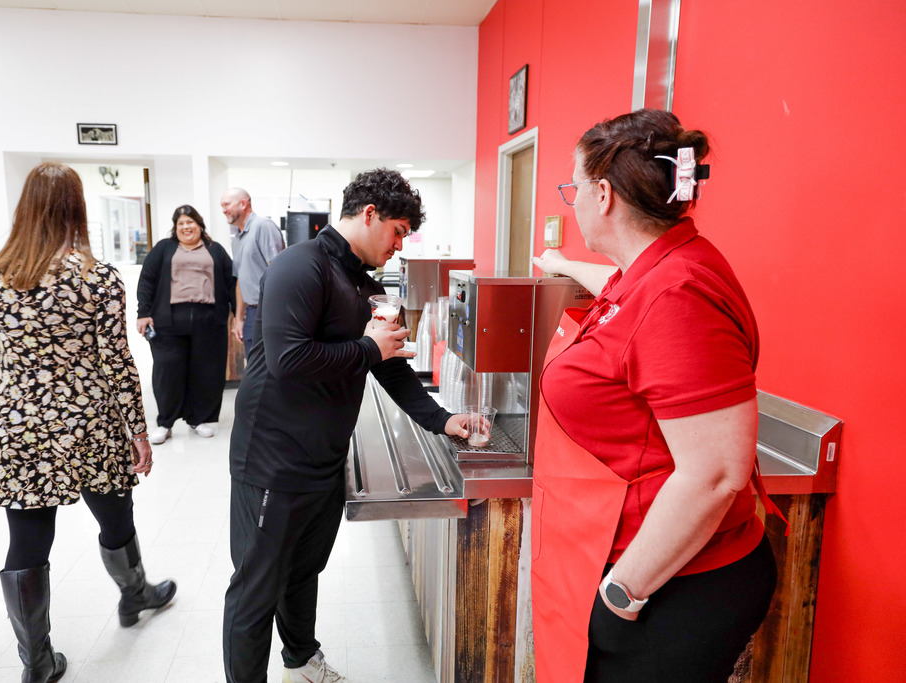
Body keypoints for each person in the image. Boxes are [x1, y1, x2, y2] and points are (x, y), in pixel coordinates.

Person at [529, 109, 779, 683]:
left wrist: (622, 594)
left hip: (668, 586)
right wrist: (562, 265)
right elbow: (624, 299)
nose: (572, 204)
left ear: (602, 193)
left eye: (572, 189)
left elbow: (716, 472)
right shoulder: (658, 266)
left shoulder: (676, 295)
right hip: (653, 570)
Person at [223, 168, 471, 683]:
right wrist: (368, 347)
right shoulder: (300, 266)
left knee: (303, 572)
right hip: (274, 458)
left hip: (323, 456)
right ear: (369, 214)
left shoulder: (362, 282)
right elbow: (290, 359)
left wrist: (443, 421)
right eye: (398, 231)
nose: (399, 245)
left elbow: (386, 364)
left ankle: (300, 660)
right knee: (255, 589)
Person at [0, 162, 176, 683]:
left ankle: (36, 662)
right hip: (88, 419)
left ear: (25, 208)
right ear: (76, 208)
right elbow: (116, 360)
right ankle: (135, 594)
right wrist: (138, 432)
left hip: (18, 420)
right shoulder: (95, 276)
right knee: (115, 514)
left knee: (27, 538)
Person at [136, 205, 236, 444]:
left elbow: (231, 282)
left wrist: (237, 318)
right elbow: (147, 281)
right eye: (181, 223)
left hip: (209, 320)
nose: (186, 227)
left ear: (200, 225)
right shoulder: (164, 249)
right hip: (168, 321)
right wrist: (143, 313)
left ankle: (199, 419)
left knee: (206, 371)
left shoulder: (215, 250)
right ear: (175, 227)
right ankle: (165, 423)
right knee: (167, 371)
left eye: (190, 222)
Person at [219, 188, 285, 359]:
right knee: (253, 366)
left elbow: (279, 273)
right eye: (222, 206)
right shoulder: (237, 238)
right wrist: (239, 318)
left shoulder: (263, 226)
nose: (223, 210)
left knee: (267, 368)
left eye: (227, 204)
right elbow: (241, 280)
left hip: (270, 311)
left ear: (243, 203)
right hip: (252, 314)